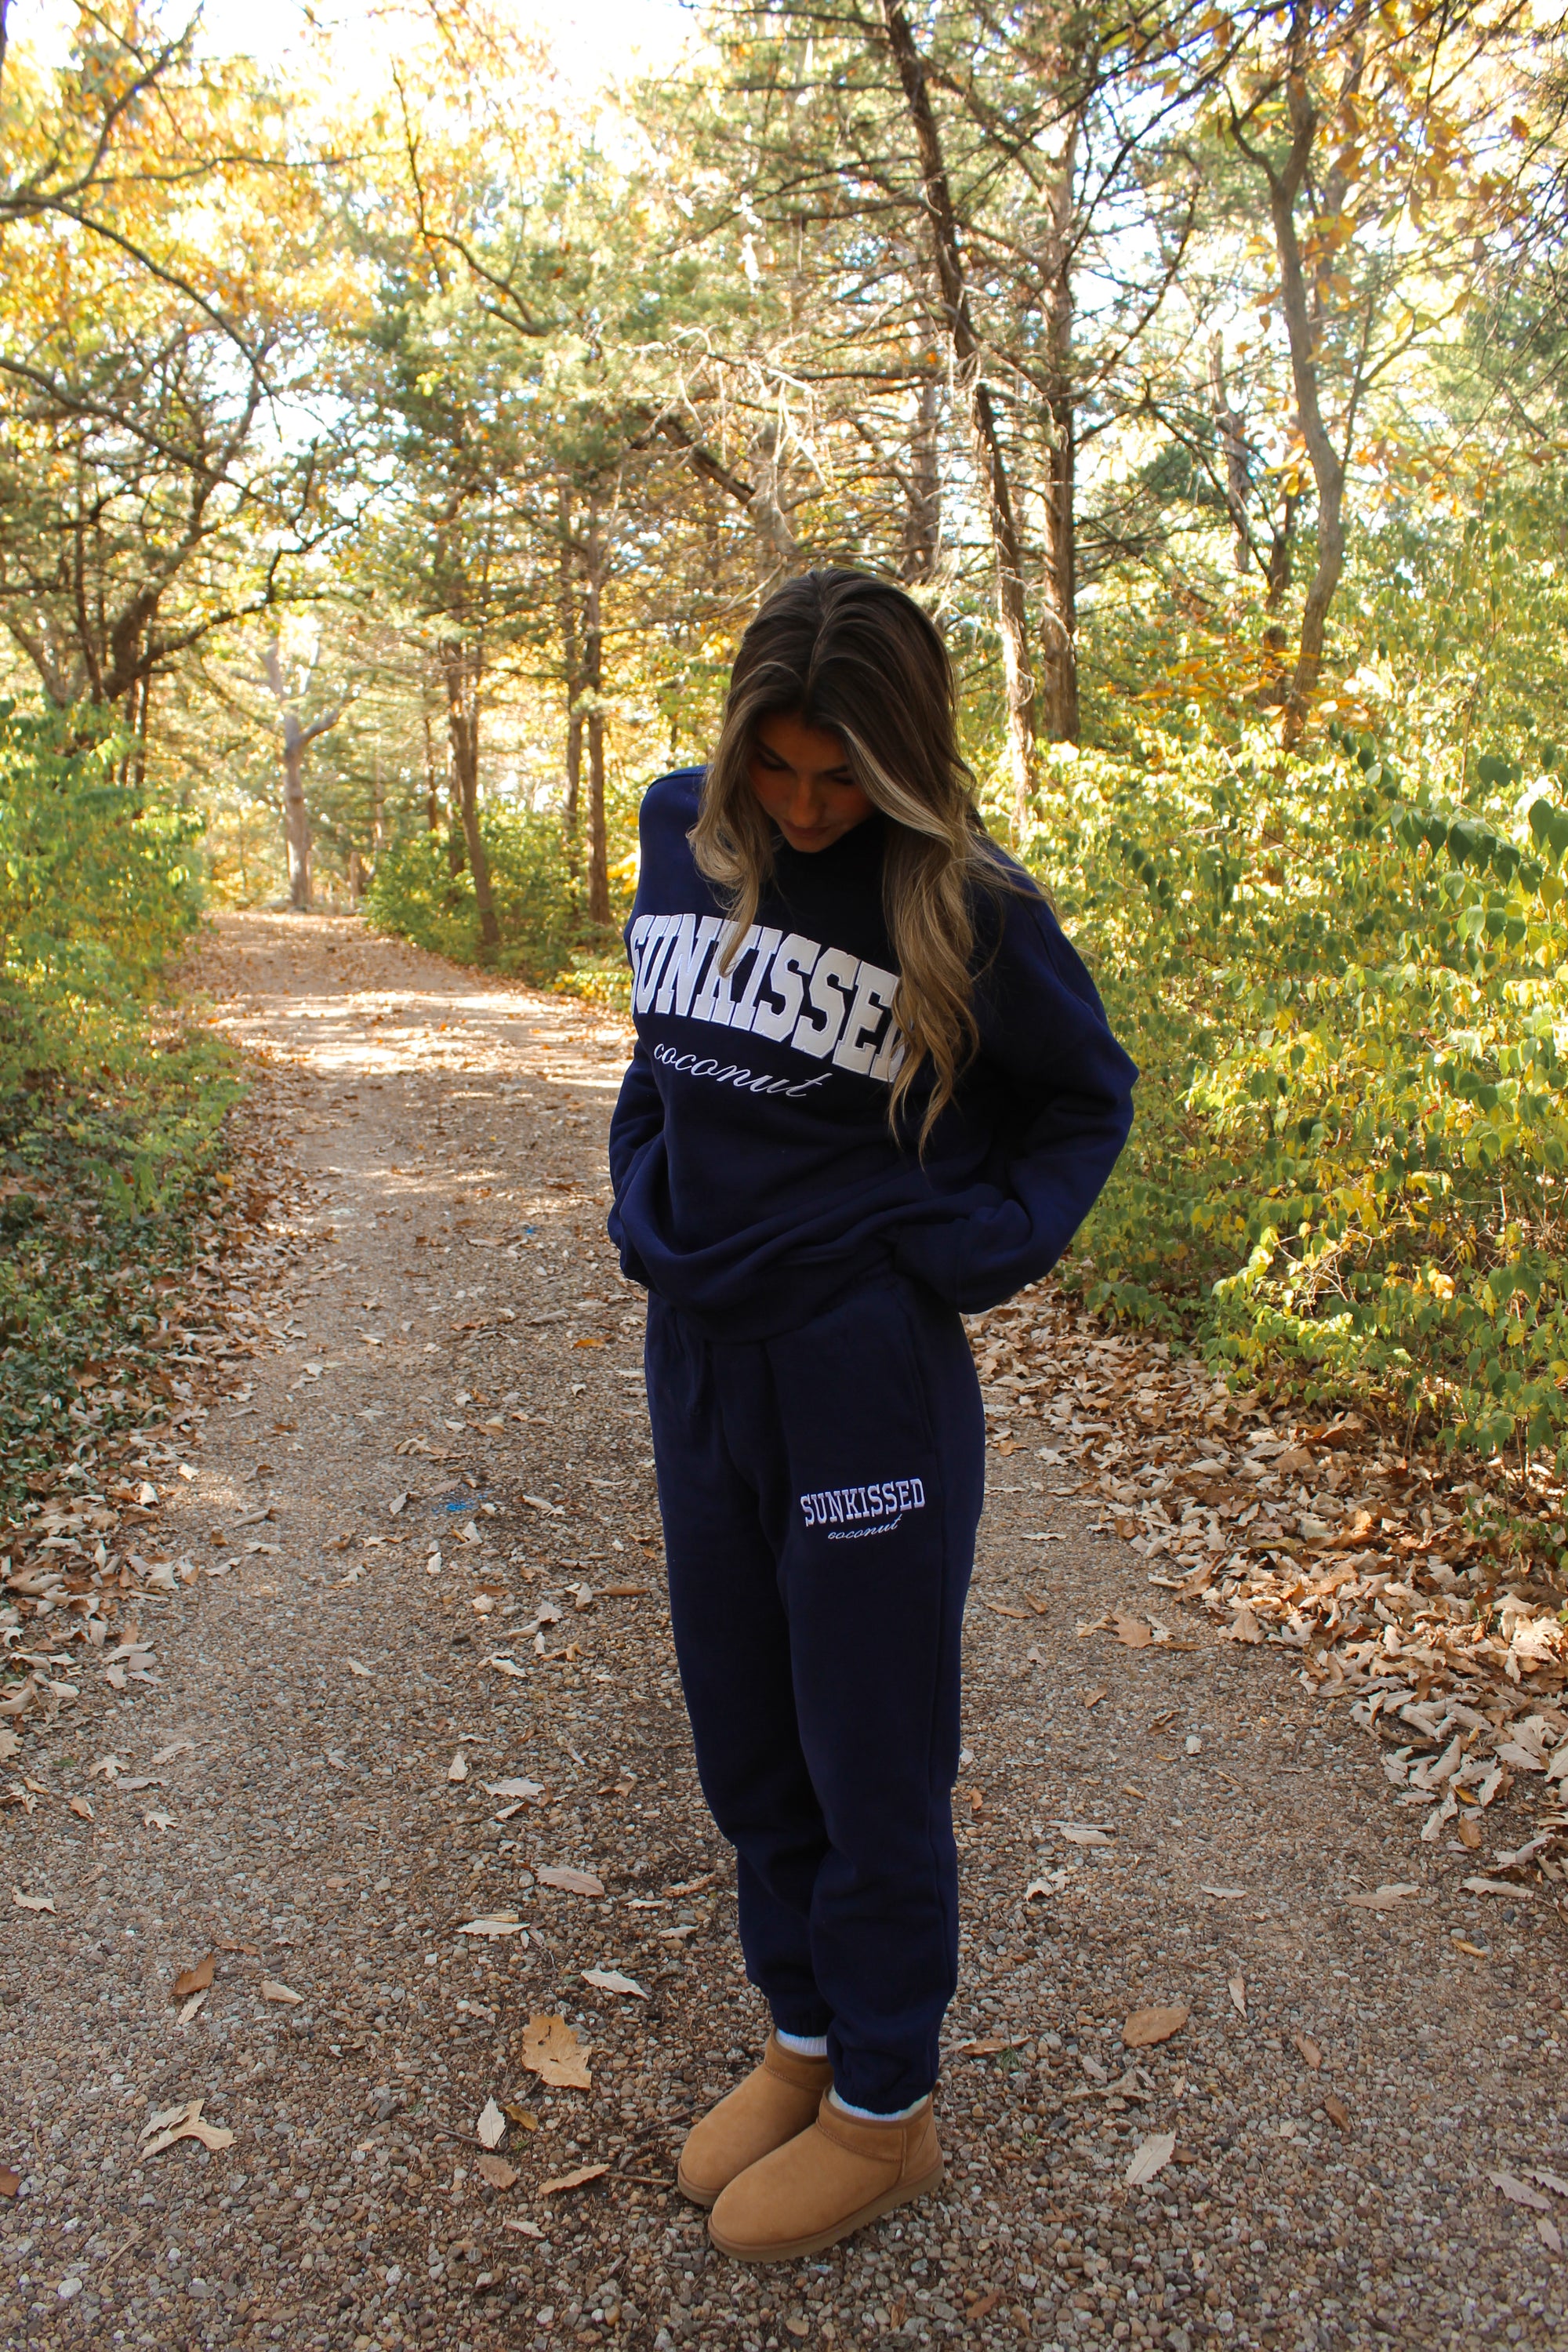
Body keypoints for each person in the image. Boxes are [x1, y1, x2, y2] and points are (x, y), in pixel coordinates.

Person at [607, 568, 1136, 2263]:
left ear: (902, 764)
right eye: (781, 770)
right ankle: (806, 2045)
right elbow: (661, 1051)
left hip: (864, 1386)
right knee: (751, 1744)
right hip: (701, 1355)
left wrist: (965, 1250)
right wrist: (645, 1193)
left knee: (867, 1755)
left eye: (844, 779)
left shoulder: (966, 901)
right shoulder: (680, 829)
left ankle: (885, 2116)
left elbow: (1081, 1099)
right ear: (734, 745)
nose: (809, 808)